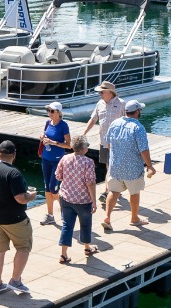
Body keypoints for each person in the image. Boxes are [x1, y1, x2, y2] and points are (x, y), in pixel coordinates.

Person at [0, 140, 36, 295]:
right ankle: (15, 281)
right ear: (14, 155)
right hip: (15, 219)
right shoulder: (13, 173)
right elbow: (20, 198)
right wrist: (31, 196)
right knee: (23, 247)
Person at [102, 100, 155, 230]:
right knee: (134, 193)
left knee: (113, 192)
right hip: (133, 169)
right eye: (140, 110)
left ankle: (107, 218)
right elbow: (143, 149)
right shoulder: (138, 127)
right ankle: (134, 218)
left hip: (115, 167)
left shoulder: (115, 123)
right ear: (136, 112)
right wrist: (149, 165)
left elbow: (108, 144)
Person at [55, 135, 98, 263]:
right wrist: (94, 201)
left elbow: (58, 176)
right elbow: (90, 183)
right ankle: (87, 248)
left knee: (67, 225)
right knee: (85, 224)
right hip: (83, 200)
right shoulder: (88, 162)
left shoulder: (65, 158)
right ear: (83, 148)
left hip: (66, 197)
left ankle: (63, 254)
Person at [38, 102, 71, 226]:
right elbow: (44, 134)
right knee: (47, 187)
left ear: (58, 112)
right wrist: (42, 137)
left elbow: (68, 145)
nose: (49, 113)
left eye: (52, 111)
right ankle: (50, 215)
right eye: (48, 110)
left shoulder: (63, 125)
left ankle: (65, 208)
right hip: (46, 158)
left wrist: (53, 142)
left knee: (53, 188)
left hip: (57, 160)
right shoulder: (48, 123)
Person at [83, 81, 124, 174]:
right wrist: (84, 133)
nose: (100, 94)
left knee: (116, 164)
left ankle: (114, 181)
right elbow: (93, 119)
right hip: (103, 140)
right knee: (107, 165)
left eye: (101, 92)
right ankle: (109, 182)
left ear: (110, 92)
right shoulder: (99, 103)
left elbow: (128, 121)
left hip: (117, 141)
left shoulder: (121, 103)